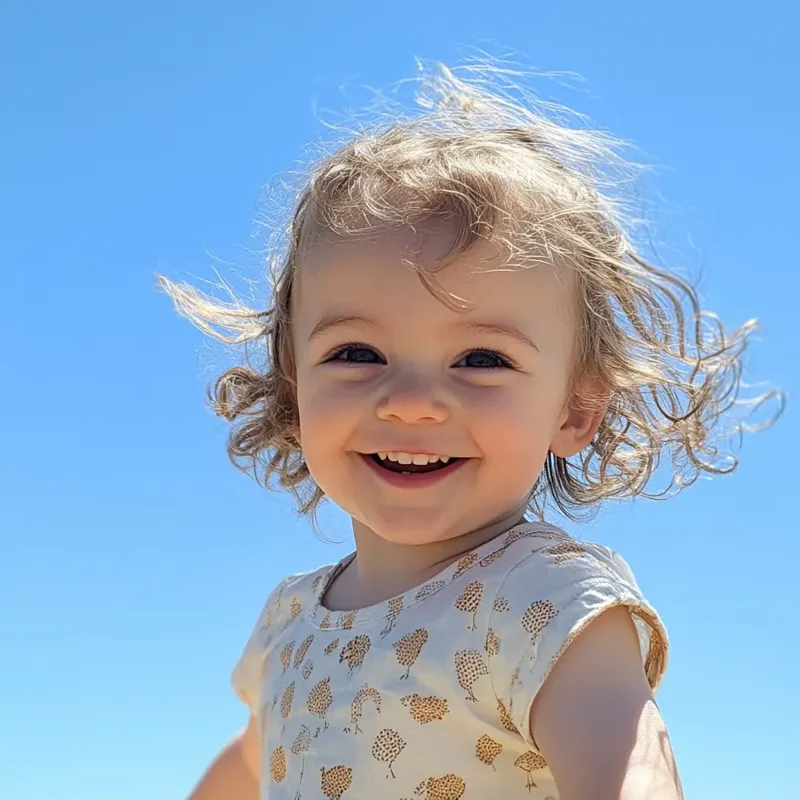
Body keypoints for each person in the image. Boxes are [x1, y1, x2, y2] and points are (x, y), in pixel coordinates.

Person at [161, 61, 780, 800]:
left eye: (481, 359)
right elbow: (252, 757)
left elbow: (632, 777)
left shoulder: (545, 602)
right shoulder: (288, 620)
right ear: (294, 392)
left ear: (575, 410)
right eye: (356, 353)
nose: (412, 402)